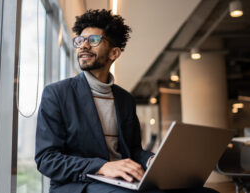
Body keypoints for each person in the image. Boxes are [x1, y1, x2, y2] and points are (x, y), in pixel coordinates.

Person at [35, 9, 218, 193]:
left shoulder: (125, 99)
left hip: (122, 181)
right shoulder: (57, 94)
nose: (83, 46)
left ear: (114, 53)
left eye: (93, 41)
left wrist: (150, 160)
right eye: (80, 40)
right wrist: (102, 167)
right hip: (80, 184)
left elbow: (133, 150)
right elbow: (47, 159)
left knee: (205, 192)